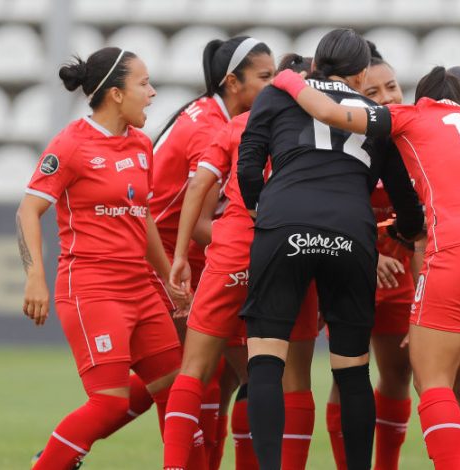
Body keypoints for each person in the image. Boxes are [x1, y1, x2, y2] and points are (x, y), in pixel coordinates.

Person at [271, 65, 460, 470]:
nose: (392, 97)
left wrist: (289, 79)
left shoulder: (414, 115)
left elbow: (328, 112)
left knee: (433, 384)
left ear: (422, 97)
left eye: (396, 88)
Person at [237, 28, 423, 470]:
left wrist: (261, 212)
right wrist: (403, 232)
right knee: (352, 369)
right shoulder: (377, 114)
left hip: (284, 223)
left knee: (265, 361)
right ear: (361, 74)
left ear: (318, 64)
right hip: (351, 232)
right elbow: (406, 202)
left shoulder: (277, 95)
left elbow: (247, 165)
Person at [18, 47, 185, 470]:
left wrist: (168, 277)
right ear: (115, 93)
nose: (152, 92)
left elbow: (141, 214)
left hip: (141, 287)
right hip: (93, 288)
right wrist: (35, 276)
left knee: (177, 391)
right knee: (110, 404)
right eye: (143, 84)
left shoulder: (142, 144)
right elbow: (27, 210)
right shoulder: (71, 144)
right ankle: (52, 461)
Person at [162, 52, 321, 470]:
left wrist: (180, 257)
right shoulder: (321, 131)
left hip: (233, 248)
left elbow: (199, 186)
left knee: (194, 370)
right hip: (292, 250)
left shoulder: (237, 125)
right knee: (293, 381)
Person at [150, 35, 274, 469]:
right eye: (265, 77)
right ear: (232, 82)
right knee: (189, 372)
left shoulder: (216, 115)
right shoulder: (211, 129)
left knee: (211, 374)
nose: (273, 85)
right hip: (162, 252)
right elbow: (202, 219)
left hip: (191, 253)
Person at [324, 42, 420, 470]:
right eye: (375, 92)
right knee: (347, 378)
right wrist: (367, 255)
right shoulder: (343, 144)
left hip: (401, 276)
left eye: (393, 88)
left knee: (398, 375)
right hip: (347, 269)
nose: (387, 99)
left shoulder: (418, 139)